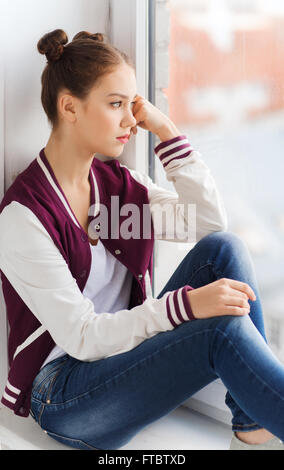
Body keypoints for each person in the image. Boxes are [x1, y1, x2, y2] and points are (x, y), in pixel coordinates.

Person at [0, 29, 284, 452]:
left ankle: (251, 425)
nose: (131, 121)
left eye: (132, 106)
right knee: (219, 329)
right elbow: (81, 336)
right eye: (116, 104)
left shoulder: (117, 186)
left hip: (124, 357)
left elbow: (208, 223)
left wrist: (166, 129)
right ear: (69, 107)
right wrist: (186, 306)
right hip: (64, 392)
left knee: (225, 249)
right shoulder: (24, 215)